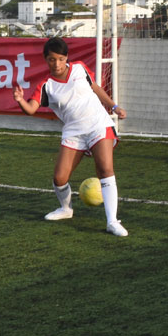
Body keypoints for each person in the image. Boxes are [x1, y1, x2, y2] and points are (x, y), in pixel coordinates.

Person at [12, 37, 128, 236]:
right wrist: (21, 100)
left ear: (66, 58)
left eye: (60, 59)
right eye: (51, 59)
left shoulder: (80, 69)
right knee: (59, 178)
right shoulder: (46, 85)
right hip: (73, 131)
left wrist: (114, 106)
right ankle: (66, 209)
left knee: (105, 168)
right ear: (46, 60)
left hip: (98, 124)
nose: (56, 64)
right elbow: (31, 109)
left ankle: (112, 221)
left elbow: (95, 88)